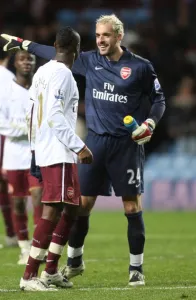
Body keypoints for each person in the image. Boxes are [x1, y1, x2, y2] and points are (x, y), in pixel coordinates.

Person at [1, 13, 166, 286]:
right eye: (98, 35)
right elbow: (55, 51)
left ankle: (135, 268)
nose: (100, 40)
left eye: (106, 35)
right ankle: (73, 261)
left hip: (126, 144)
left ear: (119, 36)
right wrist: (23, 43)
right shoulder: (88, 61)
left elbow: (159, 99)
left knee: (131, 206)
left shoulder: (140, 67)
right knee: (80, 206)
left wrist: (150, 122)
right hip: (95, 143)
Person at [19, 26, 93, 291]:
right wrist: (79, 146)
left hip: (47, 148)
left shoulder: (42, 71)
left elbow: (31, 111)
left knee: (72, 207)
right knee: (52, 209)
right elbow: (53, 115)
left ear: (54, 45)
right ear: (77, 50)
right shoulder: (63, 75)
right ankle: (29, 276)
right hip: (59, 150)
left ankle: (50, 271)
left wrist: (34, 148)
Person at [0, 50, 43, 264]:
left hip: (37, 154)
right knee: (17, 203)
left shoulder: (40, 88)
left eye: (30, 59)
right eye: (22, 59)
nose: (27, 62)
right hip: (14, 155)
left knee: (38, 198)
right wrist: (25, 130)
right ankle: (24, 248)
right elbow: (1, 122)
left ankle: (37, 247)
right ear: (15, 64)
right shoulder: (5, 90)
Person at [0, 50, 17, 248]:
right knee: (9, 184)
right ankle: (13, 233)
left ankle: (13, 233)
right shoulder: (10, 78)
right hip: (6, 134)